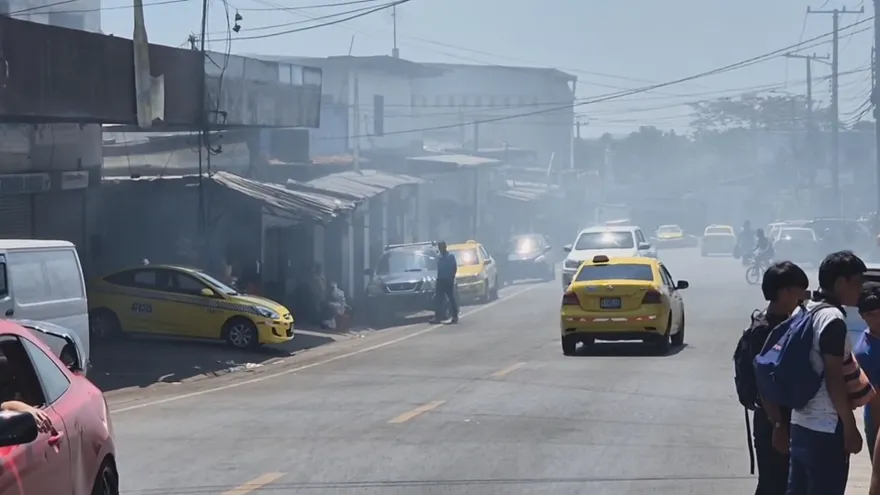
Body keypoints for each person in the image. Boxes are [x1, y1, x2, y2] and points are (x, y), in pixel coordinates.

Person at [788, 250, 867, 494]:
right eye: (858, 283)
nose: (861, 290)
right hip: (826, 428)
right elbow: (834, 379)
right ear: (841, 282)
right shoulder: (833, 319)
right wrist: (850, 426)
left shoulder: (804, 309)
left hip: (800, 423)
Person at [748, 262, 810, 494]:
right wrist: (778, 426)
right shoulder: (765, 330)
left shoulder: (788, 322)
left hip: (786, 420)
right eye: (800, 291)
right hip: (772, 420)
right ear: (785, 292)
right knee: (773, 484)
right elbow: (763, 384)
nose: (803, 297)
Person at [854, 283, 880, 461]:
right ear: (863, 316)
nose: (878, 319)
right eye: (871, 315)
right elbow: (876, 400)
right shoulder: (865, 352)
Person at [431, 241, 459, 324]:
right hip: (440, 280)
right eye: (439, 247)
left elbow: (454, 267)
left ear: (445, 247)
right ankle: (437, 317)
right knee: (438, 299)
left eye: (441, 247)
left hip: (448, 280)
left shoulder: (450, 257)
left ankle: (455, 315)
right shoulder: (439, 257)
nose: (440, 249)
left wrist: (452, 277)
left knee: (451, 298)